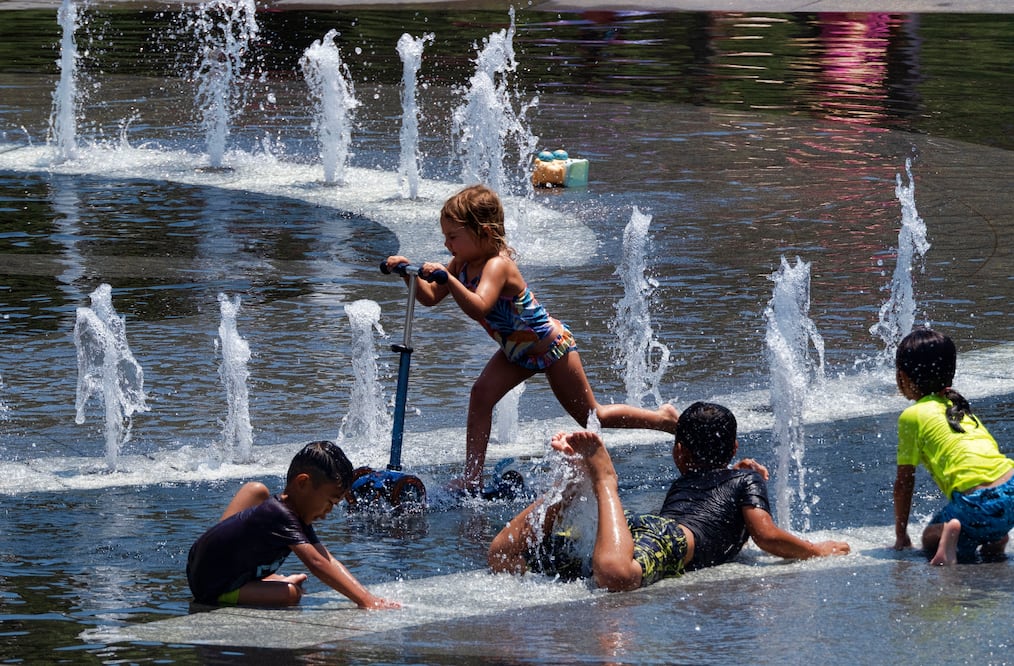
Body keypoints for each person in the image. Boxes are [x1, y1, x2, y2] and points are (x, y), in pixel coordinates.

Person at [384, 184, 678, 494]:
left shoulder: (497, 265)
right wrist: (408, 273)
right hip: (516, 352)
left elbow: (479, 306)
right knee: (480, 395)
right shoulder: (460, 264)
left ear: (483, 232)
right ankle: (472, 478)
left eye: (453, 237)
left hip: (551, 346)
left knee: (593, 416)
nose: (447, 244)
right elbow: (430, 298)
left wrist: (450, 279)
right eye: (445, 236)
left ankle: (662, 419)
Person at [488, 402, 849, 590]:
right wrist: (816, 549)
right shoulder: (744, 482)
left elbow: (720, 491)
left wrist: (738, 473)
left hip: (637, 531)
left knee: (504, 556)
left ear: (679, 453)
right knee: (615, 576)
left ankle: (567, 490)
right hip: (669, 539)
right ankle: (602, 480)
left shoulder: (711, 479)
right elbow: (766, 535)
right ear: (735, 447)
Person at [186, 440, 401, 609]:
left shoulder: (291, 514)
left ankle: (267, 579)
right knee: (290, 594)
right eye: (329, 502)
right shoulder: (279, 515)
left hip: (215, 568)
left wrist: (366, 595)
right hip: (213, 588)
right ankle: (267, 582)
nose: (328, 511)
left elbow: (326, 557)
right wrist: (365, 600)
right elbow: (317, 563)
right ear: (303, 483)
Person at [891, 328, 1014, 565]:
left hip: (977, 504)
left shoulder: (912, 416)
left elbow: (904, 483)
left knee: (929, 538)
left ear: (902, 377)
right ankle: (996, 538)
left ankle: (951, 537)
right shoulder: (960, 409)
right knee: (984, 517)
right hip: (1011, 484)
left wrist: (901, 535)